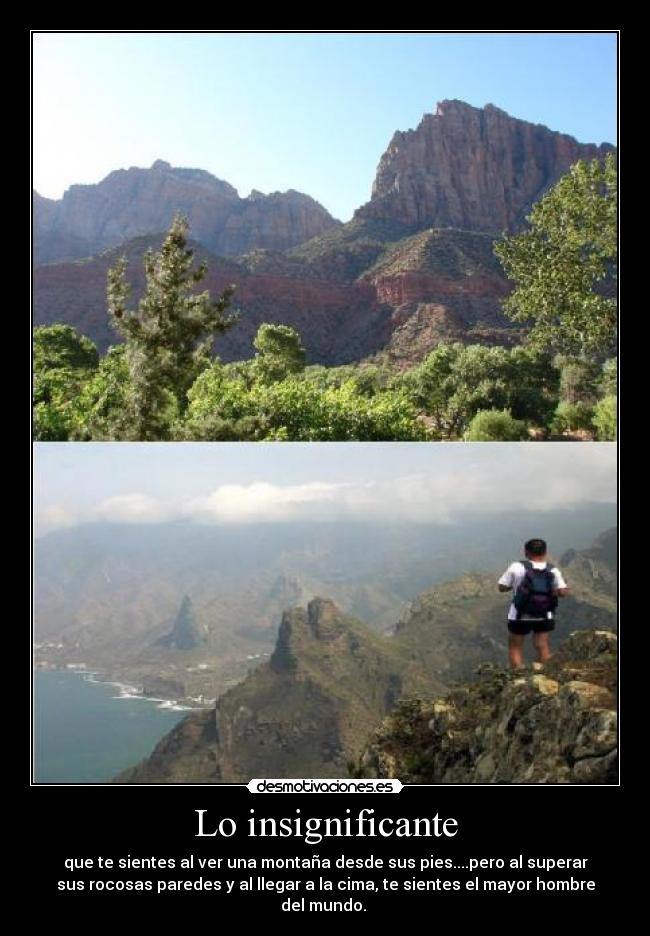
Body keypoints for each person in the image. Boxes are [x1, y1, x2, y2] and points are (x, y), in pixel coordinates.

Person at [497, 538, 569, 668]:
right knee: (542, 645)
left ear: (526, 552)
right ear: (545, 552)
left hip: (519, 614)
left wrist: (515, 586)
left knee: (515, 646)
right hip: (544, 613)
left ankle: (518, 676)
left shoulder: (517, 567)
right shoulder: (552, 570)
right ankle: (545, 675)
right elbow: (563, 592)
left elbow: (502, 587)